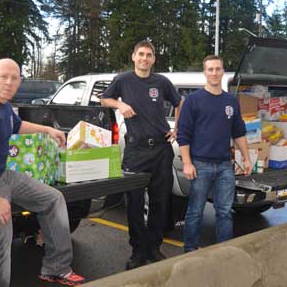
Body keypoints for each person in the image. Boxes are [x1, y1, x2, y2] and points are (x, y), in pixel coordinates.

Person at [0, 59, 85, 287]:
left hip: (1, 175)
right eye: (4, 76)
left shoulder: (3, 104)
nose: (9, 82)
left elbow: (16, 125)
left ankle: (56, 267)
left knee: (53, 199)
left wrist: (48, 129)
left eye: (14, 78)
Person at [101, 41, 183, 270]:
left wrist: (178, 128)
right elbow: (104, 98)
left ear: (154, 59)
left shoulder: (162, 82)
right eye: (141, 54)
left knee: (160, 201)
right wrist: (119, 104)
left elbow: (180, 103)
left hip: (161, 150)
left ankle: (154, 248)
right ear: (134, 56)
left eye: (149, 55)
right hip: (135, 151)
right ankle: (137, 250)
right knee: (134, 204)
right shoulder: (123, 80)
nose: (145, 58)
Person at [177, 55, 252, 253]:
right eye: (210, 69)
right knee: (195, 212)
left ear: (222, 71)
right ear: (204, 72)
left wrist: (246, 158)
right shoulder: (193, 100)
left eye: (218, 69)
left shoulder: (231, 101)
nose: (214, 73)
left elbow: (239, 132)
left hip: (225, 166)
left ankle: (224, 252)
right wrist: (187, 163)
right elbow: (183, 134)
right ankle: (190, 250)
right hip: (199, 165)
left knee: (225, 212)